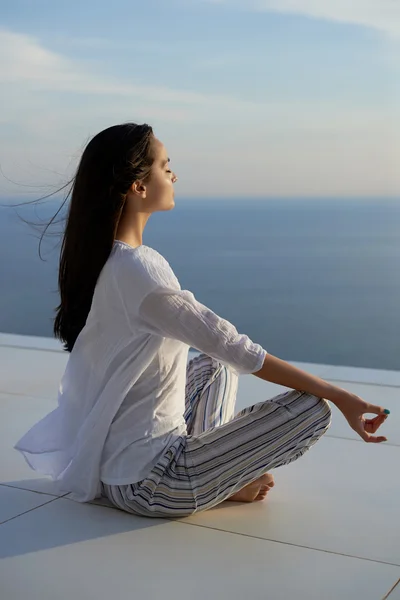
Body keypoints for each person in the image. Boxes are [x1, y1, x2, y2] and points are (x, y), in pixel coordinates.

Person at [14, 123, 390, 518]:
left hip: (119, 471)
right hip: (153, 484)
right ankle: (225, 482)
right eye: (165, 167)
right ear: (138, 186)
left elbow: (221, 351)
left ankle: (223, 475)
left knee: (216, 366)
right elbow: (238, 347)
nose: (173, 176)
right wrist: (341, 396)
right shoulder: (140, 269)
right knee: (315, 407)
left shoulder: (110, 259)